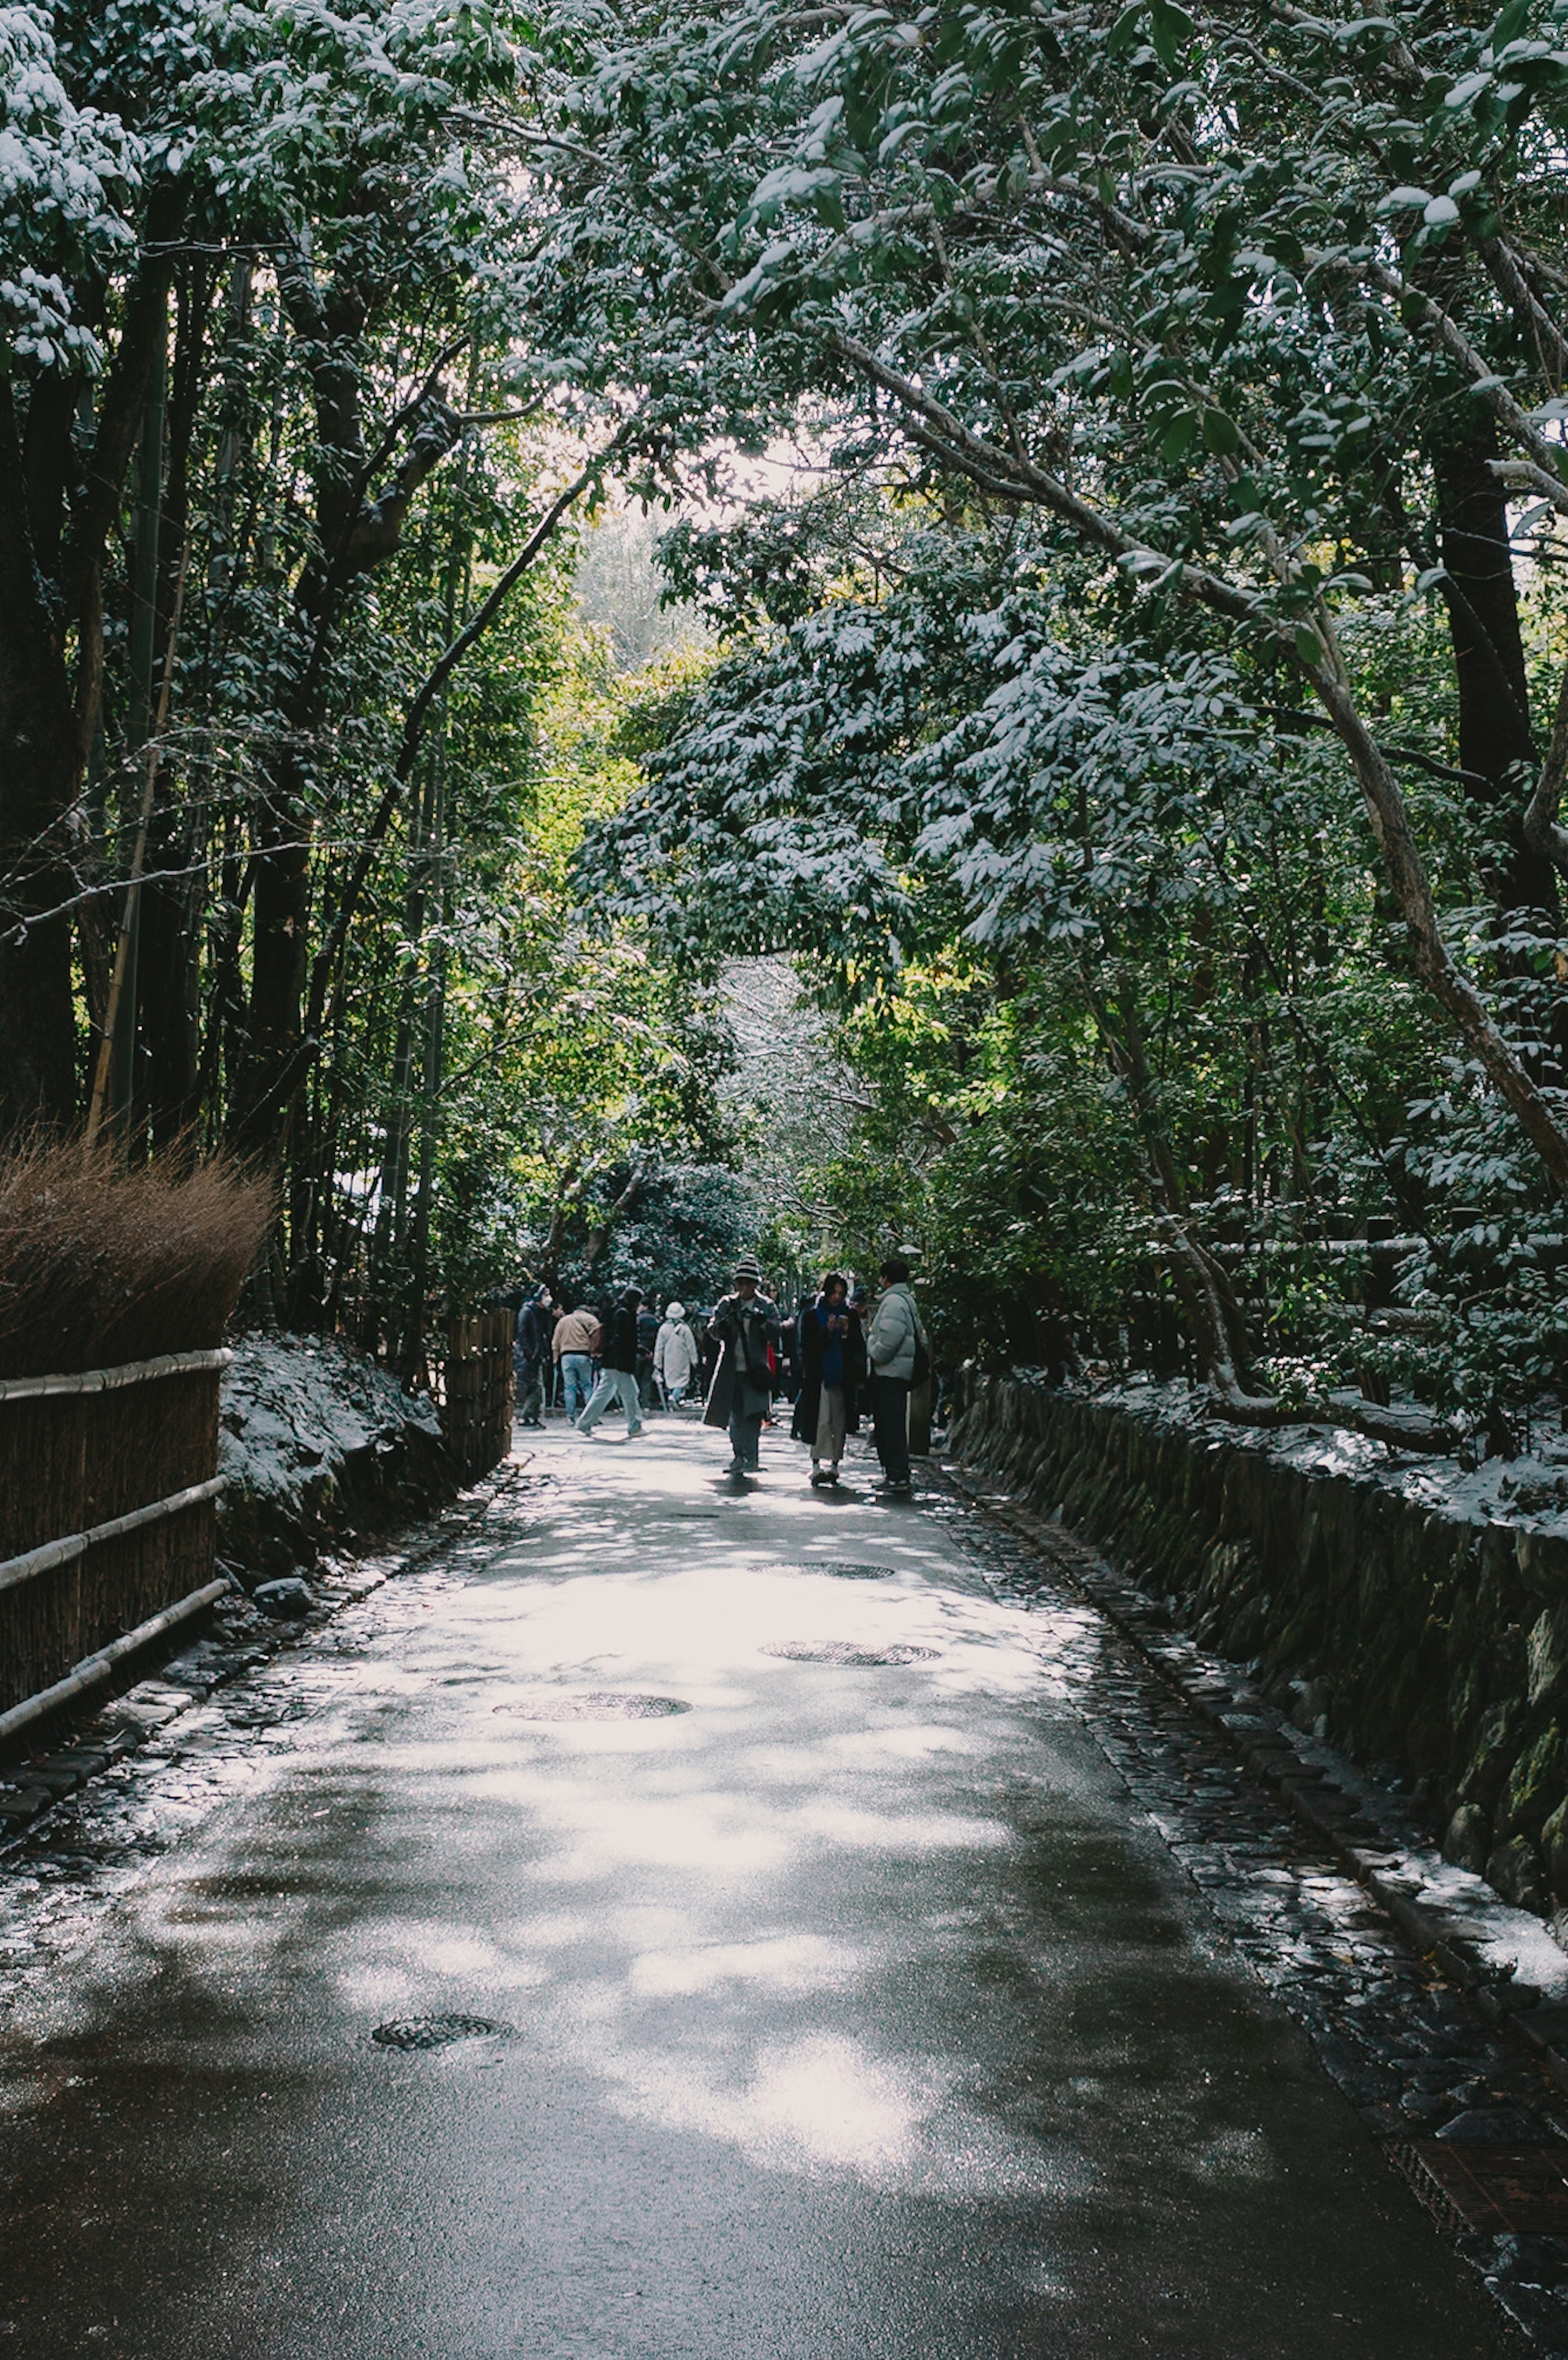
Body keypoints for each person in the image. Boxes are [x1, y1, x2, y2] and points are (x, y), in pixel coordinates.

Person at [704, 1255, 782, 1475]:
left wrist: (763, 1323)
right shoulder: (727, 1304)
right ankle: (739, 1456)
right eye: (741, 1283)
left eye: (749, 1283)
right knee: (736, 1415)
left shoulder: (766, 1305)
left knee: (754, 1414)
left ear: (755, 1284)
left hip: (755, 1369)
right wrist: (725, 1324)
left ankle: (753, 1456)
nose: (744, 1287)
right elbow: (713, 1331)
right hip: (731, 1369)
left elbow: (777, 1331)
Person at [792, 1271, 866, 1486]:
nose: (837, 1298)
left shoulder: (849, 1316)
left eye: (841, 1294)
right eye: (834, 1293)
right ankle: (816, 1464)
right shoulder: (813, 1315)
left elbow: (857, 1347)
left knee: (839, 1422)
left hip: (843, 1379)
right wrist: (826, 1332)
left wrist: (845, 1333)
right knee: (820, 1421)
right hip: (819, 1377)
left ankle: (835, 1464)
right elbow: (807, 1347)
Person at [866, 1255, 925, 1497]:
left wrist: (874, 1350)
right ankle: (895, 1473)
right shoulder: (907, 1301)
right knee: (893, 1423)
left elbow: (890, 1338)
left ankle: (897, 1474)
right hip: (901, 1371)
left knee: (891, 1425)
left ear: (887, 1279)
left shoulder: (893, 1303)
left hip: (891, 1373)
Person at [575, 1286, 645, 1437]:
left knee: (604, 1394)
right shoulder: (624, 1314)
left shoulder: (615, 1311)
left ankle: (585, 1423)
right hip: (619, 1362)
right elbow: (622, 1341)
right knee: (631, 1393)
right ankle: (635, 1426)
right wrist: (623, 1361)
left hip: (611, 1361)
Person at [552, 1298, 602, 1424]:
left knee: (569, 1387)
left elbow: (555, 1342)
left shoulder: (563, 1321)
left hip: (566, 1357)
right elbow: (599, 1332)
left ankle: (571, 1417)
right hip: (583, 1355)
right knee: (587, 1386)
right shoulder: (590, 1319)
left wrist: (555, 1358)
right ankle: (591, 1417)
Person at [513, 1284, 553, 1428]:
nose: (549, 1298)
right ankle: (525, 1416)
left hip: (538, 1354)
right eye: (546, 1294)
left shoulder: (541, 1312)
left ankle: (532, 1417)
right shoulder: (527, 1311)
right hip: (529, 1356)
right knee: (535, 1387)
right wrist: (529, 1353)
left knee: (536, 1387)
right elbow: (523, 1333)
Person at [654, 1299, 699, 1409]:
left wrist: (657, 1363)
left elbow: (659, 1348)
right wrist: (694, 1360)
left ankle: (673, 1397)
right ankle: (674, 1398)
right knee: (682, 1381)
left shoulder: (663, 1329)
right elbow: (691, 1346)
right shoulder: (685, 1329)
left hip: (668, 1359)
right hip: (682, 1358)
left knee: (671, 1380)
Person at [636, 1297, 660, 1412]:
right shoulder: (656, 1320)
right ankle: (647, 1402)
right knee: (647, 1379)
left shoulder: (638, 1319)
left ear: (644, 1306)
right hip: (651, 1354)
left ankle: (636, 1402)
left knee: (636, 1379)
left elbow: (636, 1337)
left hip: (639, 1352)